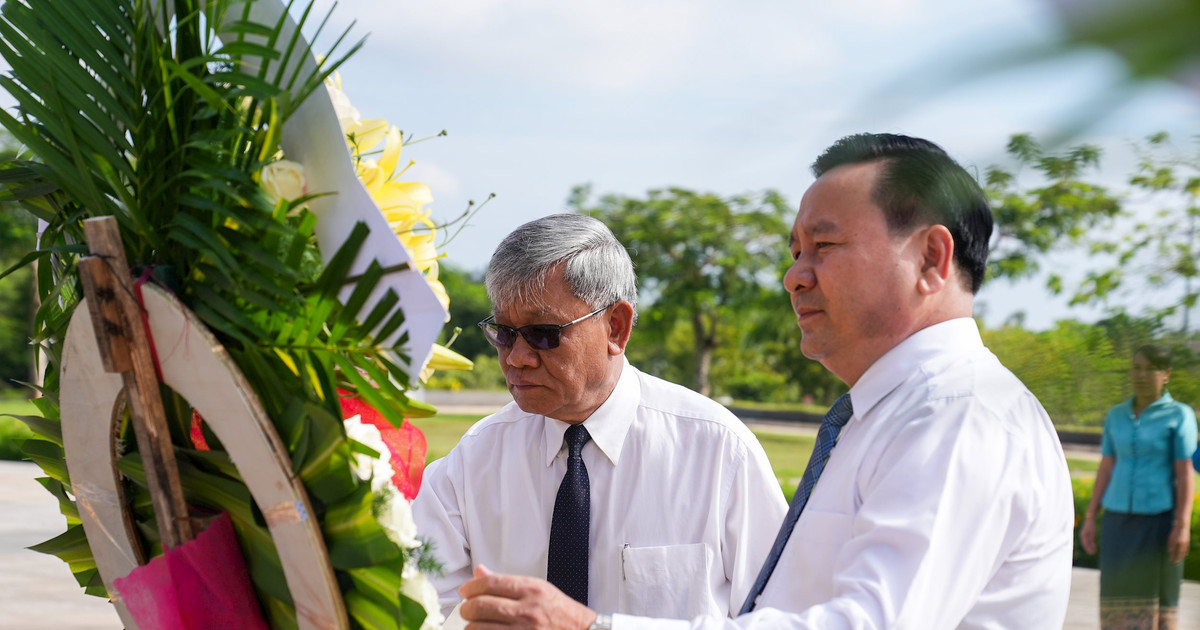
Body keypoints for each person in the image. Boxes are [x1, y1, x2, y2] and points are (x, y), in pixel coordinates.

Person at [455, 133, 1076, 629]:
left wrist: (591, 628)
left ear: (931, 260)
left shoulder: (958, 416)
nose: (794, 277)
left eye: (823, 246)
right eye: (794, 251)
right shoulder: (886, 416)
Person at [411, 214, 787, 621]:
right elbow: (423, 610)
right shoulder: (473, 461)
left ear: (616, 328)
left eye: (543, 333)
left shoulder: (718, 452)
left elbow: (785, 617)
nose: (517, 357)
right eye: (503, 332)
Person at [1080, 344, 1197, 629]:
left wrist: (1182, 525)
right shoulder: (1116, 416)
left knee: (1156, 600)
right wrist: (1091, 517)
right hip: (1118, 523)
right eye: (1136, 368)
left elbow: (1185, 473)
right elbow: (1106, 467)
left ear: (1166, 374)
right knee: (1116, 597)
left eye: (1150, 369)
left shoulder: (1180, 416)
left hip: (1159, 524)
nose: (1141, 375)